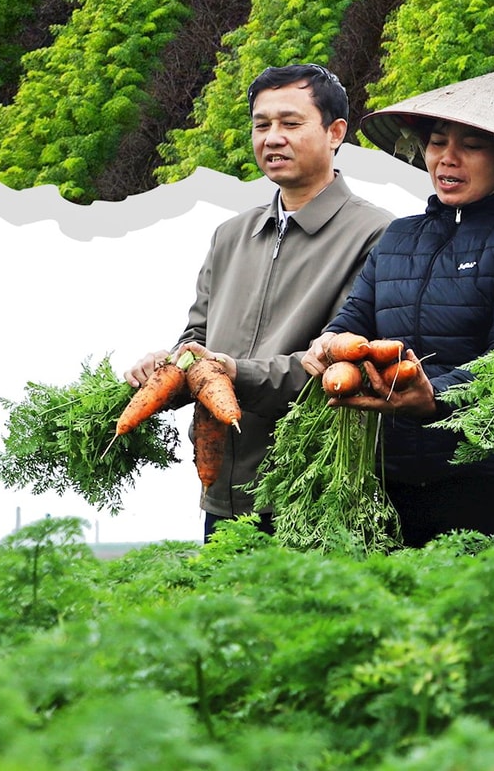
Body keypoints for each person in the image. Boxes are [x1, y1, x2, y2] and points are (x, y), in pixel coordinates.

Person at [299, 73, 494, 548]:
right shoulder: (400, 236)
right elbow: (355, 318)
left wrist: (435, 398)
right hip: (393, 473)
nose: (447, 157)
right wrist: (327, 346)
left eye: (472, 145)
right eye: (437, 142)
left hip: (490, 474)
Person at [125, 64, 392, 536]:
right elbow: (197, 337)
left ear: (335, 133)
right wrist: (167, 366)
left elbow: (338, 370)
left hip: (310, 489)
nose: (272, 138)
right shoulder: (231, 235)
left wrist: (233, 373)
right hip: (223, 488)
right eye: (261, 124)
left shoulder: (376, 234)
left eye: (290, 124)